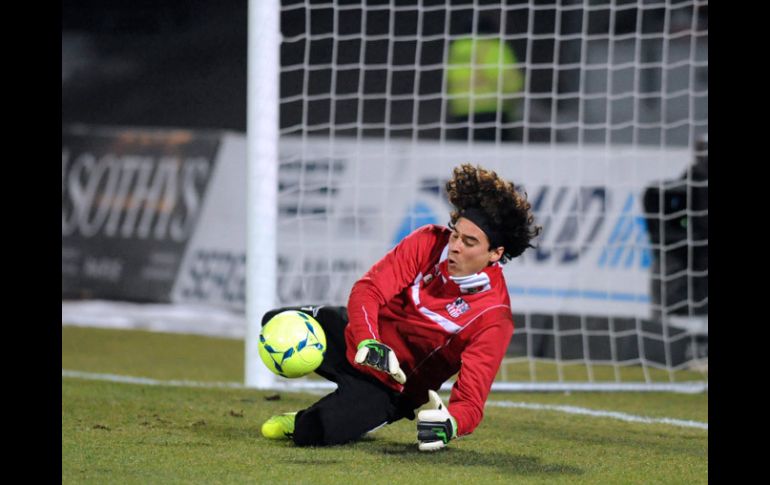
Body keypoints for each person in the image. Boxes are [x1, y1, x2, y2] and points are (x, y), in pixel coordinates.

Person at [261, 164, 541, 451]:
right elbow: (368, 290)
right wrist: (369, 340)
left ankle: (307, 419)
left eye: (470, 242)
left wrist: (451, 424)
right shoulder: (429, 242)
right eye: (456, 234)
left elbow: (470, 401)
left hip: (391, 388)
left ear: (496, 253)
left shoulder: (493, 317)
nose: (456, 246)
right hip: (359, 337)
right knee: (276, 325)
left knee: (310, 433)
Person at [445, 14, 525, 142]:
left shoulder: (455, 49)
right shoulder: (494, 47)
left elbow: (449, 78)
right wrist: (516, 96)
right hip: (493, 112)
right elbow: (508, 81)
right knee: (494, 156)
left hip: (462, 112)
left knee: (468, 155)